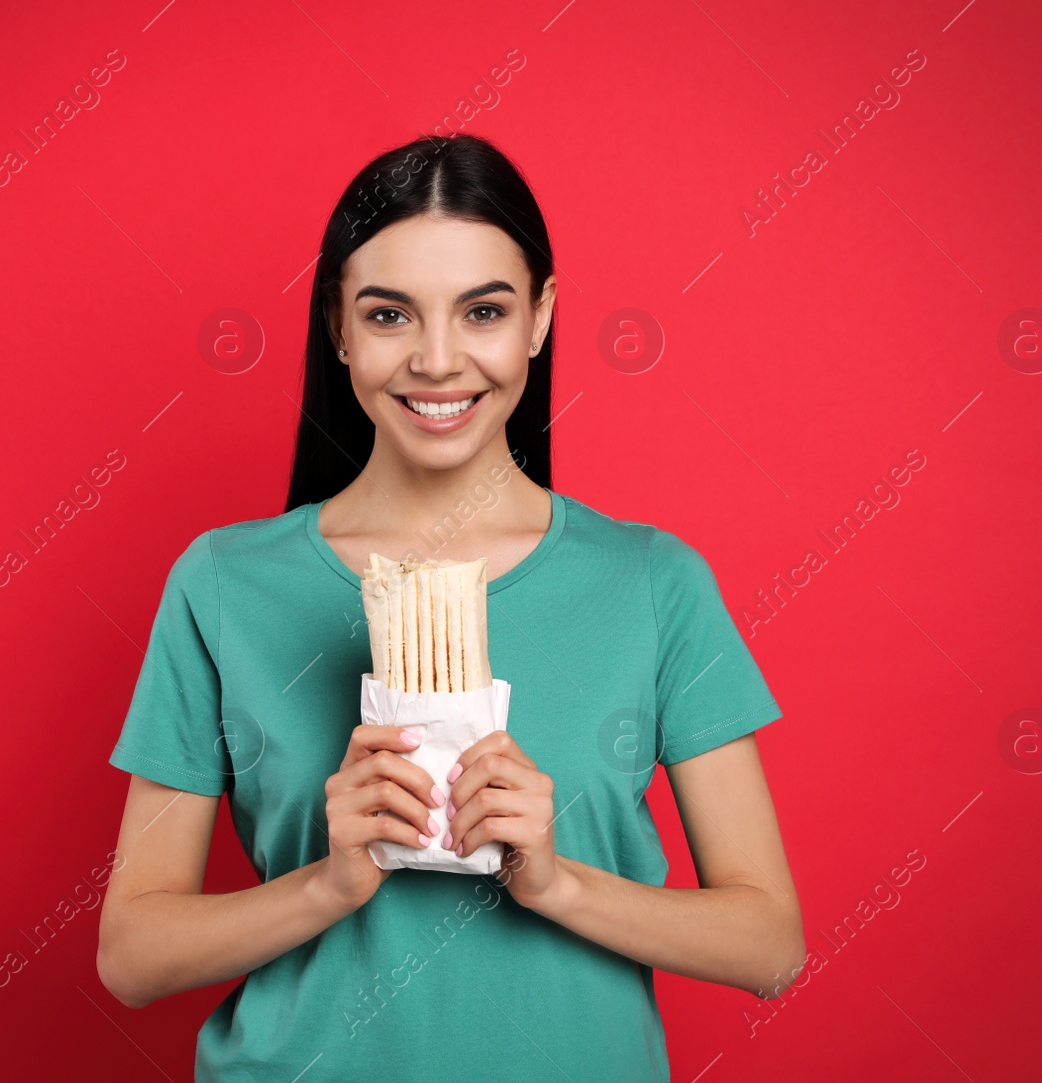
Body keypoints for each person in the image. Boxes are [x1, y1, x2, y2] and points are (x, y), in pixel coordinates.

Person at [96, 132, 805, 1081]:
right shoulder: (225, 582)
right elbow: (132, 956)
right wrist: (331, 882)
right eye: (390, 314)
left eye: (483, 311)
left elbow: (769, 944)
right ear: (339, 327)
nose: (438, 361)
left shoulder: (651, 582)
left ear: (541, 318)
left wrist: (555, 883)